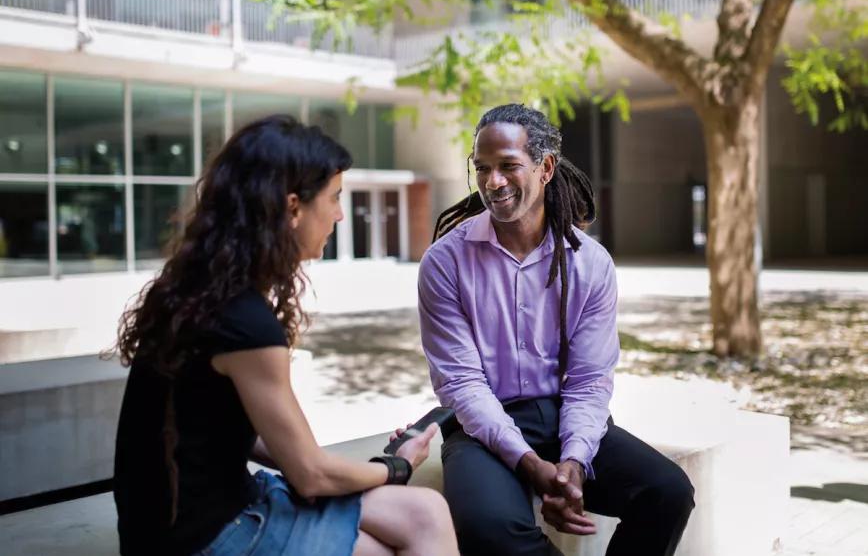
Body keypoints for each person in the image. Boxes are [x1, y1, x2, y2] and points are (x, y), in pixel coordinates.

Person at [113, 115, 458, 556]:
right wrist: (395, 466)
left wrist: (351, 471)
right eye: (334, 199)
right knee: (401, 533)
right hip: (204, 536)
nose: (338, 215)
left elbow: (230, 430)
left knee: (423, 514)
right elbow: (310, 476)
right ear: (292, 208)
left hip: (196, 513)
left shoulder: (199, 290)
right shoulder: (245, 321)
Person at [418, 104, 695, 556]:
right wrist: (529, 463)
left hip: (564, 414)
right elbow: (462, 384)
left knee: (667, 492)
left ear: (545, 168)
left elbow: (589, 380)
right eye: (482, 168)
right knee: (490, 530)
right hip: (479, 427)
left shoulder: (589, 262)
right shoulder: (445, 262)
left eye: (509, 166)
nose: (493, 182)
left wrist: (573, 462)